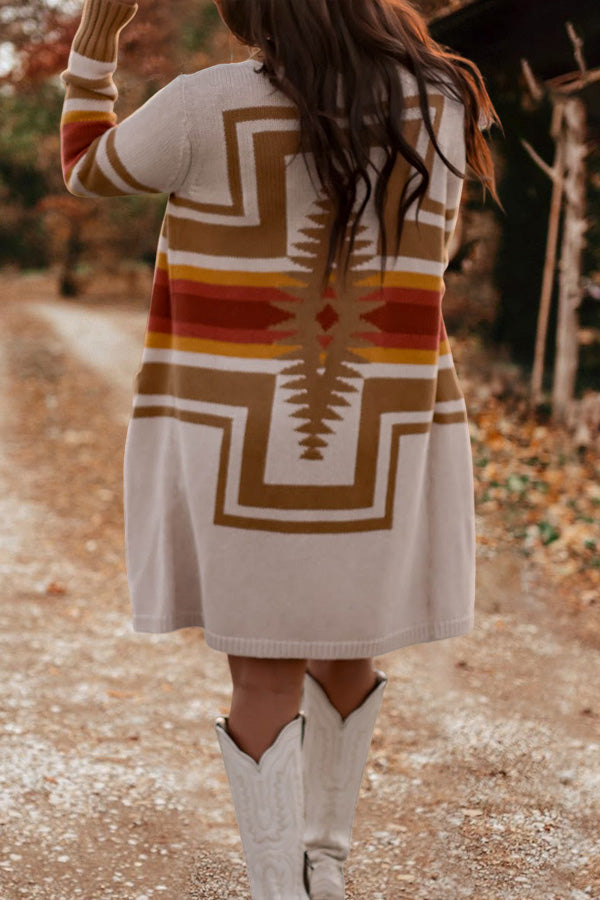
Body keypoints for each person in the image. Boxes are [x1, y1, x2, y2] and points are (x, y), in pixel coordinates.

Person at [59, 0, 502, 896]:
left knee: (262, 674)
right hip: (382, 430)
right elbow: (432, 255)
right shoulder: (444, 103)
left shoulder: (200, 106)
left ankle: (276, 887)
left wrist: (91, 54)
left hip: (239, 447)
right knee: (349, 648)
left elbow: (86, 170)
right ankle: (326, 863)